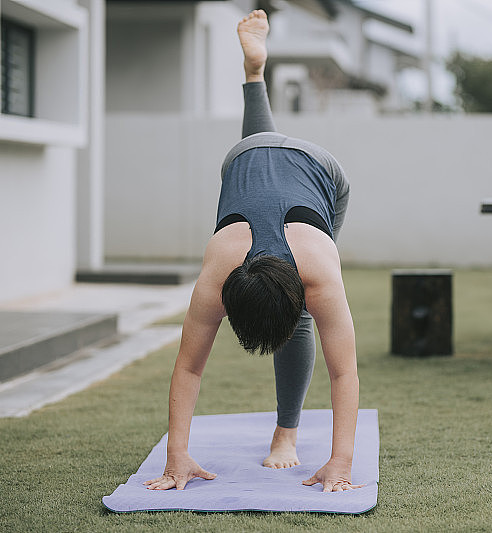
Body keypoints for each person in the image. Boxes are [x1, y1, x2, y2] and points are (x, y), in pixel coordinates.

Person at [144, 9, 361, 493]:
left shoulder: (319, 270)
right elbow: (189, 366)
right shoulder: (218, 273)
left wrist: (340, 462)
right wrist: (176, 456)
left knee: (304, 316)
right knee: (259, 148)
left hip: (320, 172)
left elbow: (344, 372)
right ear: (227, 297)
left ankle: (287, 433)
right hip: (244, 157)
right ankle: (255, 74)